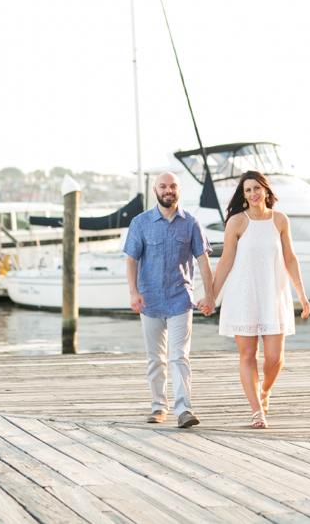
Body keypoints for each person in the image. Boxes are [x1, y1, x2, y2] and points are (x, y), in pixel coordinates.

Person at [198, 170, 310, 429]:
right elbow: (225, 262)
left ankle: (266, 390)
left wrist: (301, 294)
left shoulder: (280, 220)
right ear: (244, 195)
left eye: (257, 188)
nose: (253, 193)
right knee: (248, 354)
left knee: (275, 357)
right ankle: (257, 411)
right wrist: (211, 296)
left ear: (266, 190)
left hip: (273, 293)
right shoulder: (237, 222)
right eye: (248, 190)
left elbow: (290, 258)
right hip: (243, 293)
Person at [124, 172, 213, 428]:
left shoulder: (192, 223)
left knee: (179, 357)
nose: (168, 190)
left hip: (180, 300)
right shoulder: (140, 223)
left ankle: (184, 410)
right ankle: (158, 407)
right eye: (163, 186)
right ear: (155, 190)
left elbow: (204, 262)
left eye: (173, 186)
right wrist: (133, 292)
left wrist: (209, 294)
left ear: (179, 190)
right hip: (149, 300)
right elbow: (131, 260)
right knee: (156, 358)